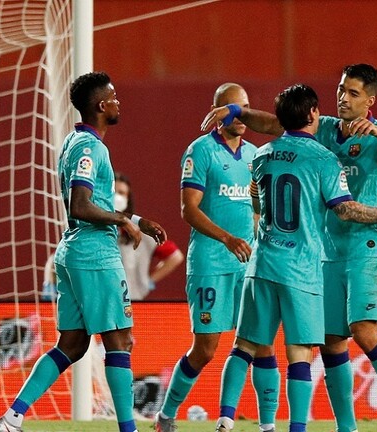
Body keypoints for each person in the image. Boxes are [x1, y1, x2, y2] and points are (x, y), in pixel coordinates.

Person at [201, 64, 377, 432]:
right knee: (332, 342)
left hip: (366, 245)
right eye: (341, 89)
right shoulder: (322, 129)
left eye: (353, 93)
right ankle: (346, 427)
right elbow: (273, 123)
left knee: (363, 329)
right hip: (326, 250)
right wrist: (238, 110)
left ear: (369, 101)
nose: (343, 97)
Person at [0, 71, 167, 432]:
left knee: (71, 345)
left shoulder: (74, 141)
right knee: (120, 341)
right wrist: (124, 220)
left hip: (72, 253)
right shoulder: (92, 148)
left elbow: (91, 200)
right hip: (95, 255)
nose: (118, 102)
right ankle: (129, 428)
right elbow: (81, 205)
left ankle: (11, 419)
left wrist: (136, 219)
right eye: (113, 97)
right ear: (101, 106)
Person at [154, 83, 280, 432]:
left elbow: (257, 207)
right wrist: (227, 238)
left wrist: (260, 234)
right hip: (210, 262)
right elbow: (188, 209)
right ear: (217, 112)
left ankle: (264, 425)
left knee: (262, 344)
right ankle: (166, 415)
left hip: (248, 263)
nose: (241, 117)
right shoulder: (200, 151)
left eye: (245, 108)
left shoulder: (256, 154)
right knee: (206, 349)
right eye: (233, 109)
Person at [114, 172, 184, 300]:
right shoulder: (94, 230)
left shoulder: (140, 232)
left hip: (133, 300)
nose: (117, 197)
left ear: (128, 199)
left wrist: (149, 282)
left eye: (122, 193)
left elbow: (175, 256)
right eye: (113, 191)